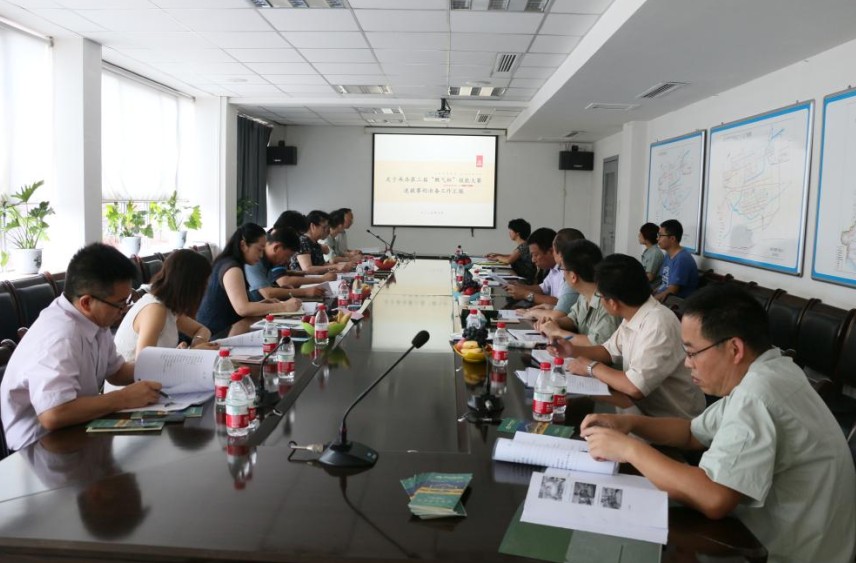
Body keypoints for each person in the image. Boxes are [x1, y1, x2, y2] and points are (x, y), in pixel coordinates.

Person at [581, 284, 856, 562]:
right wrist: (629, 424)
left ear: (734, 349)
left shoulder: (757, 395)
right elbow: (692, 433)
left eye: (692, 353)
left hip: (787, 553)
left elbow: (714, 498)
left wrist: (628, 449)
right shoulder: (773, 369)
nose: (687, 364)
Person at [0, 243, 164, 452]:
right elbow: (54, 414)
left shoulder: (95, 321)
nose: (124, 310)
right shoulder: (60, 337)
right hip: (38, 449)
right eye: (120, 303)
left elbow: (116, 372)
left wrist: (165, 366)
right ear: (86, 302)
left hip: (76, 430)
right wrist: (123, 398)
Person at [549, 254, 705, 418]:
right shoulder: (634, 313)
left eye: (600, 296)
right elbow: (608, 351)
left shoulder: (658, 324)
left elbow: (635, 387)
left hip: (673, 421)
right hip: (640, 411)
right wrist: (572, 350)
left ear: (613, 303)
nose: (600, 301)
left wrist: (590, 367)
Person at [196, 223, 302, 337]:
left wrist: (260, 305)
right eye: (259, 250)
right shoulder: (232, 268)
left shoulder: (230, 262)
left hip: (225, 327)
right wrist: (284, 307)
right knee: (278, 333)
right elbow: (242, 309)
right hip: (214, 334)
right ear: (243, 245)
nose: (261, 255)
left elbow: (236, 304)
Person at [114, 249, 217, 360]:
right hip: (135, 371)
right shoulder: (155, 309)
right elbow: (143, 362)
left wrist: (197, 343)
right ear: (191, 286)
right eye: (204, 284)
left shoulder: (167, 306)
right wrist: (191, 353)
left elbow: (202, 330)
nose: (206, 290)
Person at [538, 240, 621, 346]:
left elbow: (598, 345)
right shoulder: (584, 295)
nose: (563, 275)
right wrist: (554, 323)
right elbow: (573, 319)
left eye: (562, 268)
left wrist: (557, 332)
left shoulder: (607, 302)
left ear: (573, 276)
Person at [245, 227, 327, 301]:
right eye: (288, 256)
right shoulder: (255, 259)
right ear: (276, 247)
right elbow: (268, 294)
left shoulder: (268, 260)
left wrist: (281, 290)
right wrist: (305, 291)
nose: (288, 261)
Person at [521, 228, 585, 321]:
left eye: (554, 250)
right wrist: (550, 308)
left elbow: (559, 315)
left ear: (562, 254)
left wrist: (532, 313)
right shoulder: (574, 270)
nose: (553, 254)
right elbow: (571, 317)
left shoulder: (572, 275)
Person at [504, 227, 560, 307]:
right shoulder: (553, 269)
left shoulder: (565, 271)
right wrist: (520, 287)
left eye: (535, 255)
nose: (533, 260)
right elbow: (542, 288)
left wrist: (526, 294)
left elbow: (560, 303)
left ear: (550, 251)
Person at [289, 210, 349, 275]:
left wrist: (340, 267)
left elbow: (321, 265)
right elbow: (307, 269)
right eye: (324, 227)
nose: (327, 231)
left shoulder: (315, 243)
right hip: (304, 280)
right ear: (313, 226)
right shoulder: (303, 241)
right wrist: (335, 266)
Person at [654, 219, 698, 301]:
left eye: (660, 235)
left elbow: (672, 291)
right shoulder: (668, 255)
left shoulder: (682, 259)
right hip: (664, 299)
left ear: (672, 238)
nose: (657, 238)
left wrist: (651, 301)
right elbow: (663, 283)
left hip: (674, 303)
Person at [485, 218, 537, 283]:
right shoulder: (525, 244)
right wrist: (498, 255)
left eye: (511, 230)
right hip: (521, 277)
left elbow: (509, 260)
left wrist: (497, 257)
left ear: (517, 233)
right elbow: (513, 256)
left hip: (525, 281)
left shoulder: (523, 246)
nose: (509, 233)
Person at [638, 222, 664, 286]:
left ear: (647, 237)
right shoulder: (649, 251)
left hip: (651, 288)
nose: (638, 236)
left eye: (641, 234)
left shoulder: (655, 253)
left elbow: (649, 277)